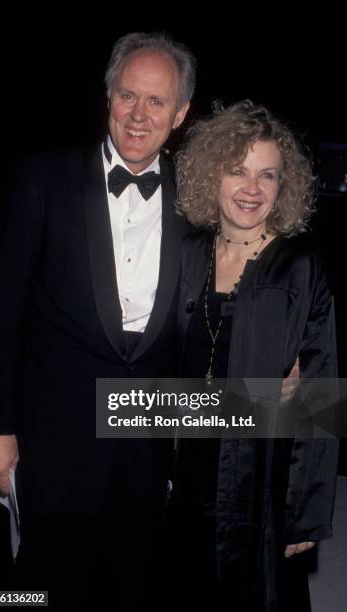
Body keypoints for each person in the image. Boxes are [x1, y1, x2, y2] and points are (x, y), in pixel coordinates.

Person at [0, 31, 195, 610]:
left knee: (124, 587)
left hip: (144, 447)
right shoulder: (41, 178)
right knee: (30, 588)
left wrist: (291, 359)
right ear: (108, 98)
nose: (139, 115)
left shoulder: (194, 202)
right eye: (128, 96)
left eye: (156, 102)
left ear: (180, 113)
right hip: (53, 440)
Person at [169, 100, 339, 611]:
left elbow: (319, 396)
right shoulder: (181, 253)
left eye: (267, 175)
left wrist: (305, 514)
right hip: (184, 467)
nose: (252, 188)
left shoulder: (300, 268)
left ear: (283, 186)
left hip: (261, 476)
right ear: (209, 174)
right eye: (238, 170)